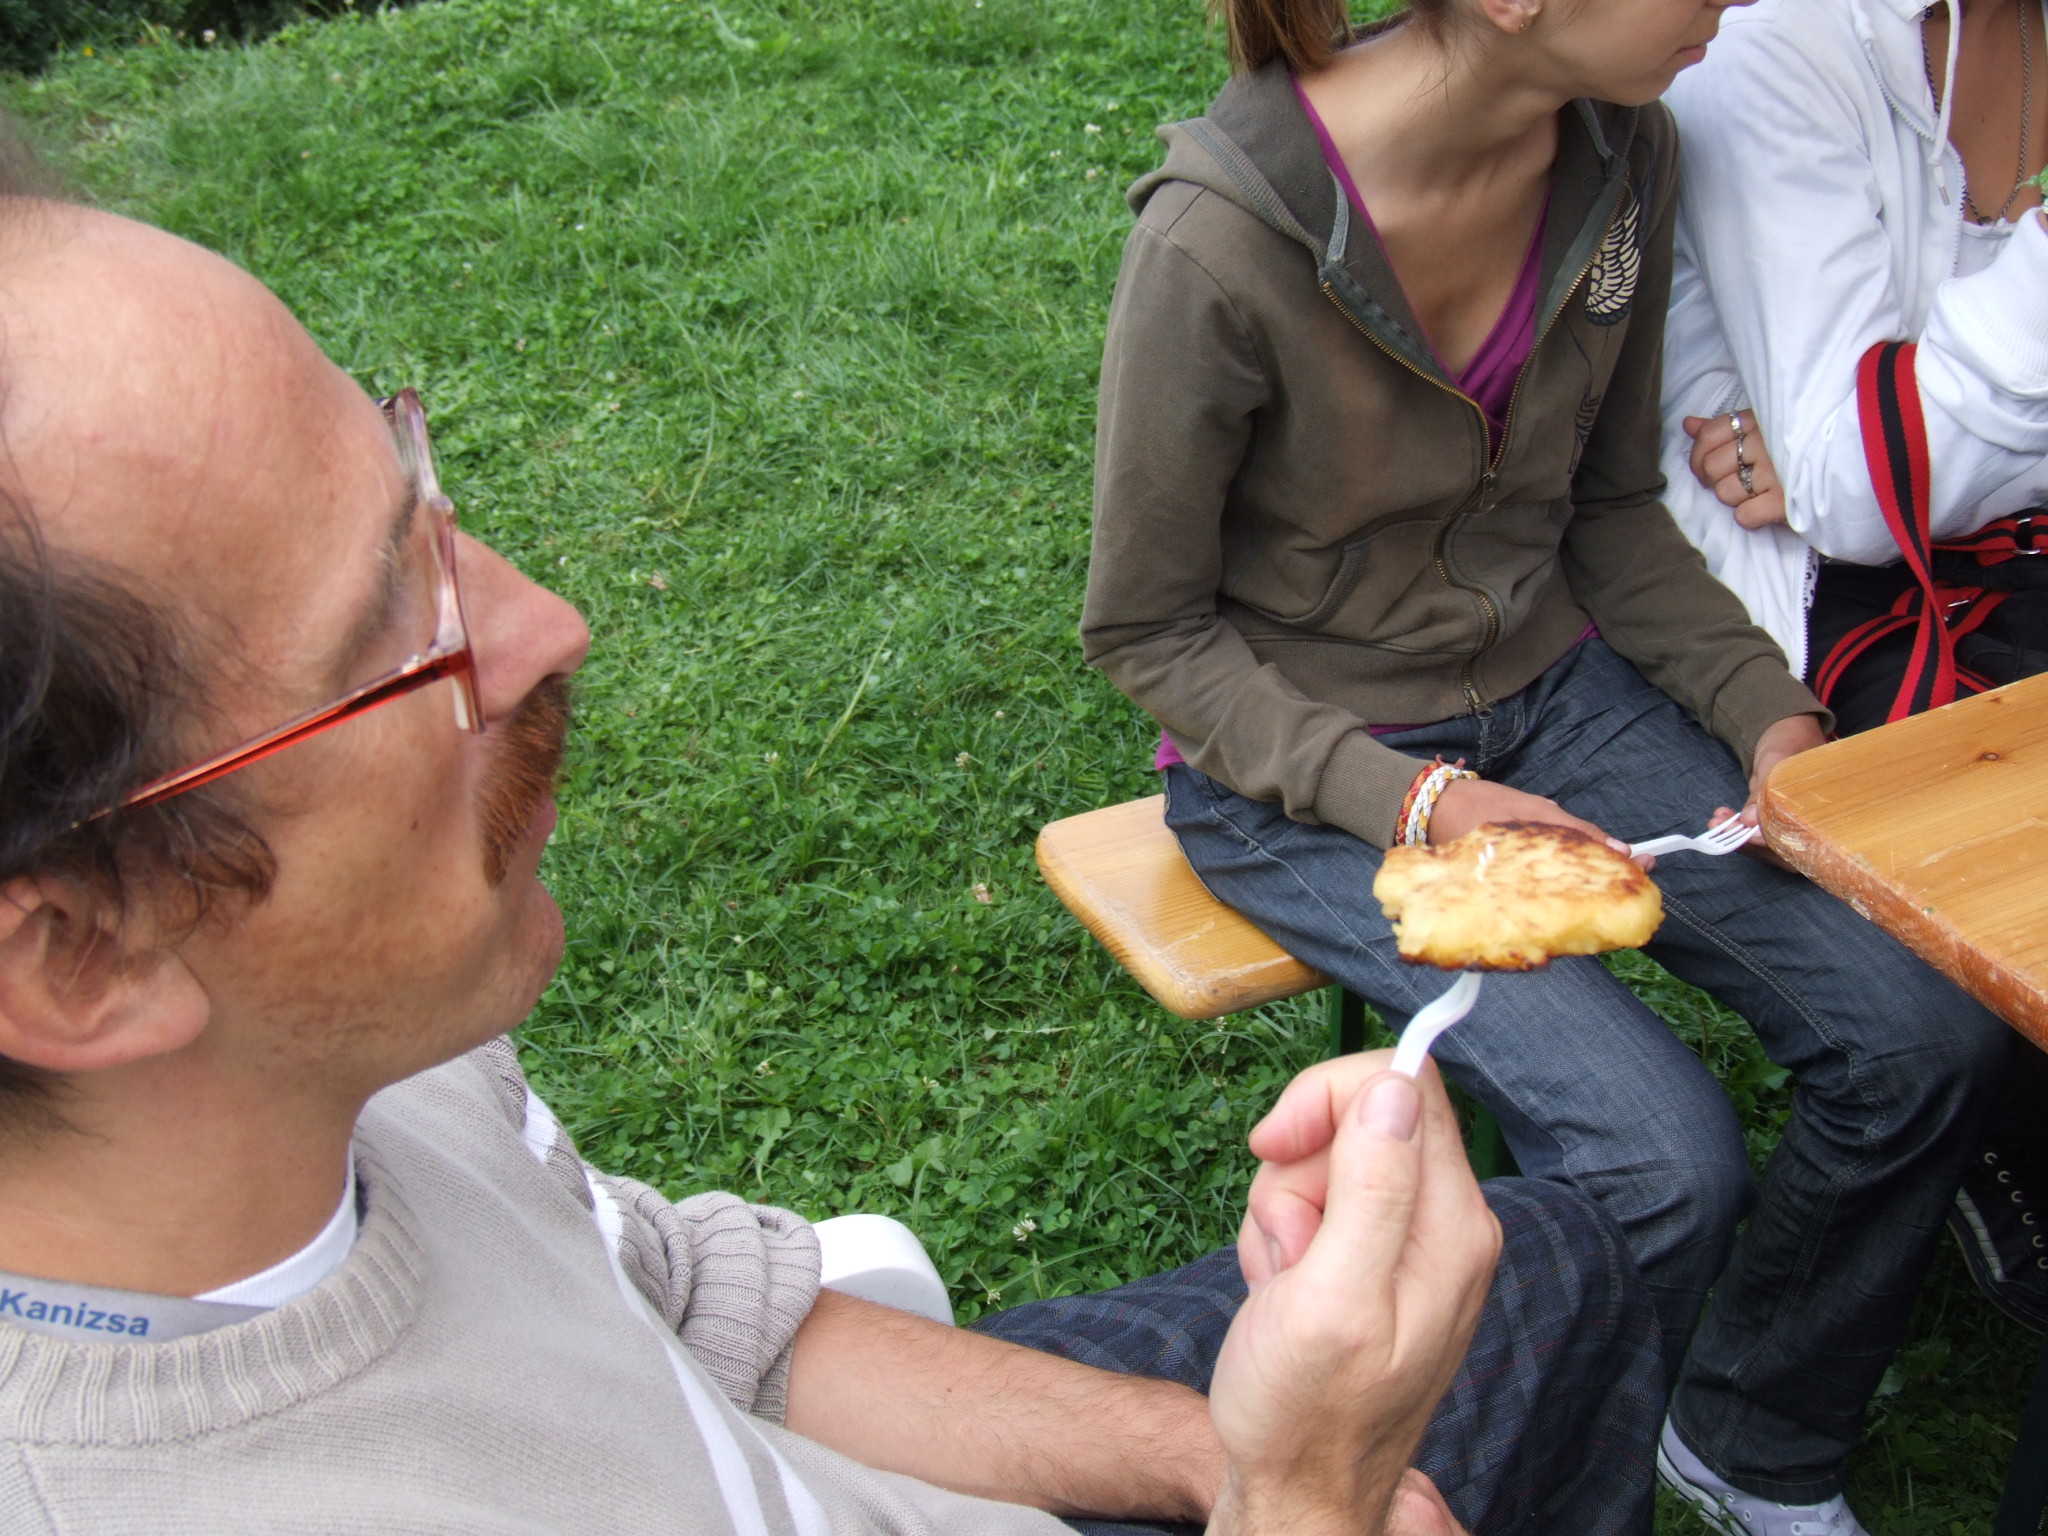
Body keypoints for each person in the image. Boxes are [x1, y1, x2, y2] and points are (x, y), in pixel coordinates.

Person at [0, 184, 1665, 1532]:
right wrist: (1309, 1493)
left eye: (422, 509)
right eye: (396, 641)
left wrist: (1200, 1454)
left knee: (1562, 1255)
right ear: (77, 957)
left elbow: (671, 1303)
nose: (549, 624)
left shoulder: (340, 1053)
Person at [1077, 0, 2011, 1531]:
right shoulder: (1222, 241)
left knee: (1922, 1037)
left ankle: (1747, 1432)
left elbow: (1611, 509)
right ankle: (1533, 1485)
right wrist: (1422, 803)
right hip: (1298, 776)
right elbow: (1148, 631)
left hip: (1556, 694)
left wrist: (1771, 718)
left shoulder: (1622, 154)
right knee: (1666, 1160)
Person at [1657, 0, 2048, 1334]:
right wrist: (1882, 459)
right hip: (1845, 614)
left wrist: (1900, 442)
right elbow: (1864, 497)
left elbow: (1865, 463)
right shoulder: (1778, 44)